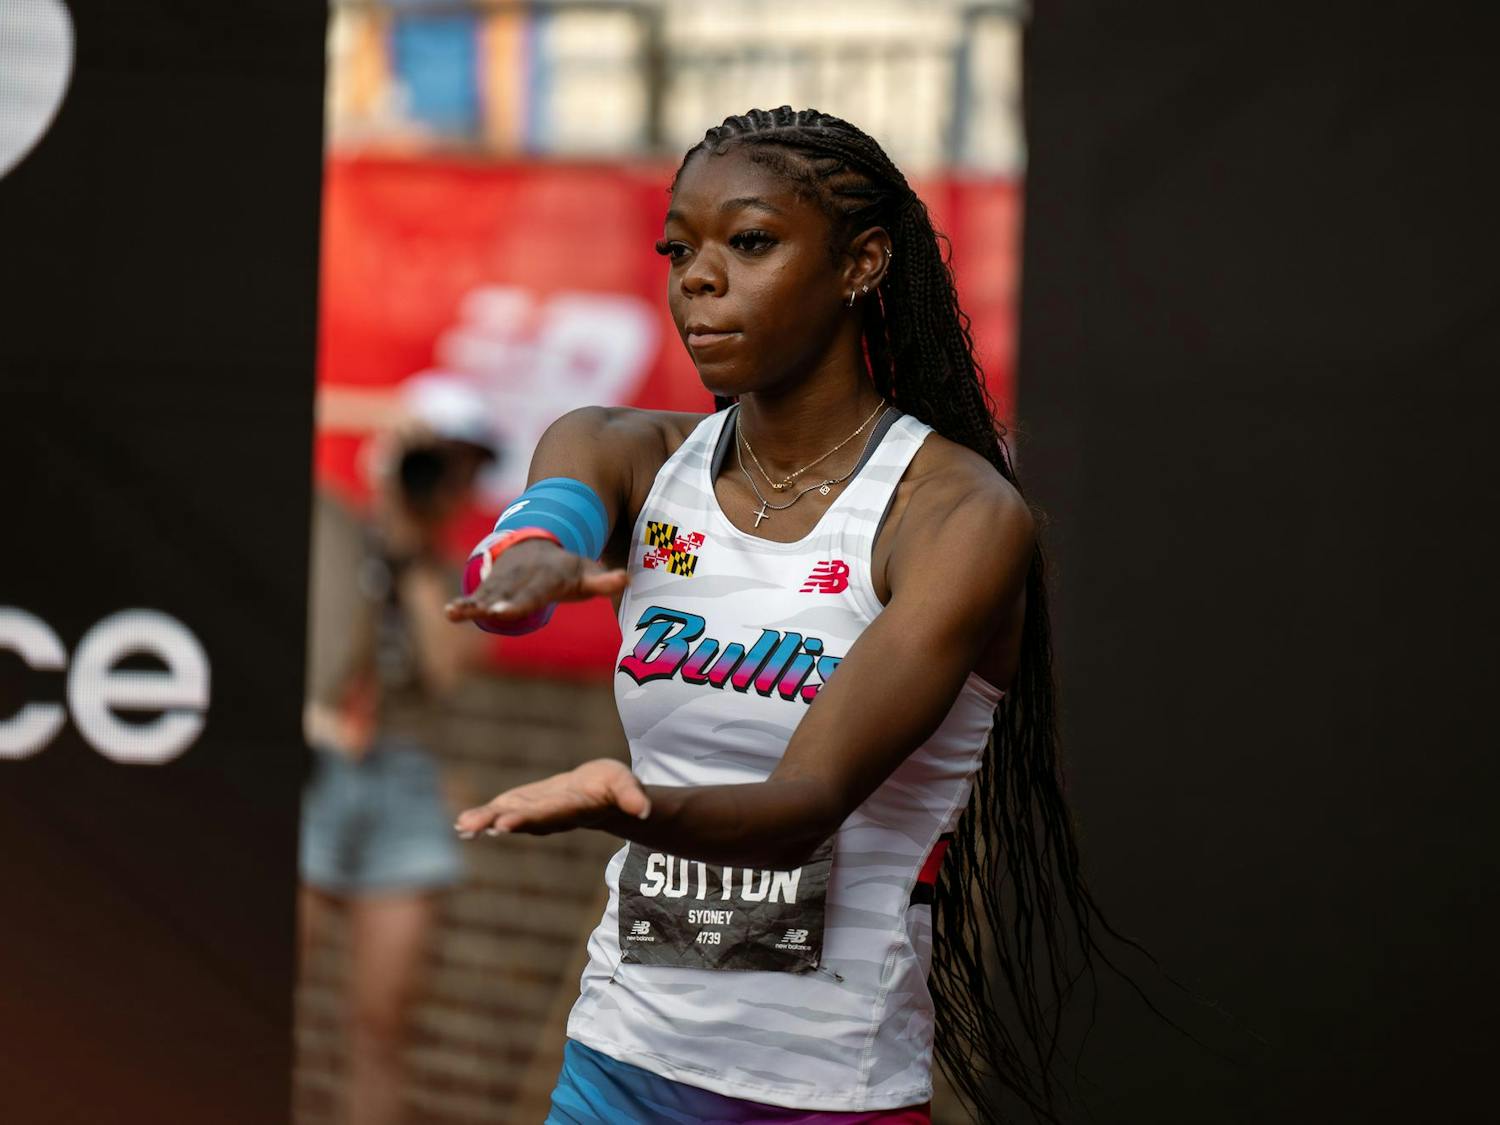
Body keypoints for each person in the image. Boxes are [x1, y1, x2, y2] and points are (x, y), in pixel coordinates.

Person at [446, 107, 1102, 1124]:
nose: (698, 281)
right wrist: (529, 567)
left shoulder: (957, 515)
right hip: (620, 1063)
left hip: (824, 1090)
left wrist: (624, 805)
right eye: (680, 250)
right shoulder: (626, 450)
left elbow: (804, 804)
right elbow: (550, 520)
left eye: (749, 243)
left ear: (862, 263)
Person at [301, 377, 495, 1125]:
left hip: (404, 784)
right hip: (312, 769)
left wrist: (413, 550)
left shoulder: (456, 575)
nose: (455, 483)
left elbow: (446, 671)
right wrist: (383, 423)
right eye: (442, 461)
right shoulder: (329, 523)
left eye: (468, 467)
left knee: (382, 1025)